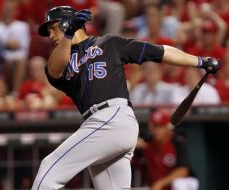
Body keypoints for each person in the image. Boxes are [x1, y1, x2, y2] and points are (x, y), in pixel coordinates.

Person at [31, 6, 220, 190]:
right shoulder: (58, 60)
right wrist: (69, 35)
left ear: (65, 24)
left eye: (54, 28)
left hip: (113, 117)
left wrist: (200, 61)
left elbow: (160, 52)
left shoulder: (110, 43)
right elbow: (56, 69)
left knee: (49, 167)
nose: (51, 36)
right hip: (99, 124)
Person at [136, 109, 199, 190]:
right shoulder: (146, 141)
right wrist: (132, 147)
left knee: (179, 184)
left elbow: (183, 171)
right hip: (156, 185)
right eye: (155, 126)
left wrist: (161, 183)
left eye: (160, 126)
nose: (157, 130)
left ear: (167, 127)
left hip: (184, 183)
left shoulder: (177, 141)